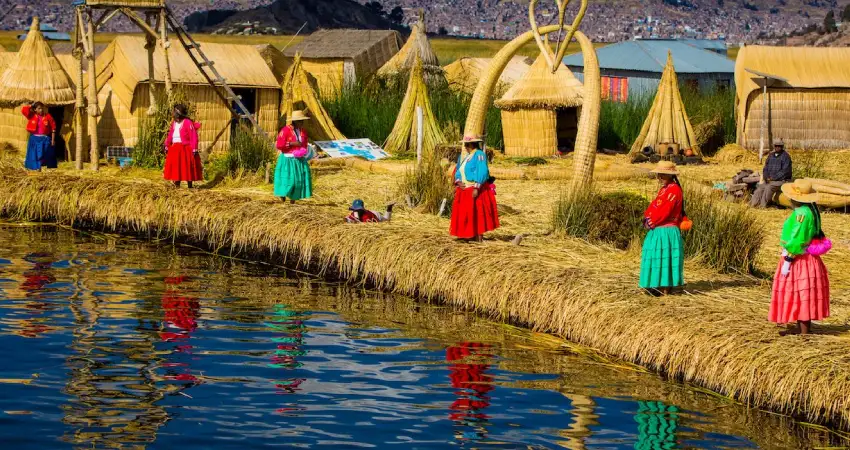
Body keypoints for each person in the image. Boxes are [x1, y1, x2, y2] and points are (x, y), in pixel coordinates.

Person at [769, 179, 830, 335]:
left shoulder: (801, 213)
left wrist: (788, 258)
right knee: (804, 292)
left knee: (800, 292)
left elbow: (798, 239)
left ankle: (803, 332)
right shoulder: (811, 209)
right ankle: (801, 327)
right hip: (808, 258)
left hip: (799, 258)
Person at [640, 161, 685, 296]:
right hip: (658, 230)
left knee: (665, 258)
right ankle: (654, 285)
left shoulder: (674, 190)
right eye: (659, 174)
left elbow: (665, 210)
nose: (660, 177)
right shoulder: (664, 189)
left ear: (671, 175)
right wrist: (647, 217)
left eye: (663, 175)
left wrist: (652, 221)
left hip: (666, 231)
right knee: (655, 257)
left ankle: (665, 289)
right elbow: (655, 205)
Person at [449, 135, 499, 242]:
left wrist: (477, 187)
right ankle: (468, 235)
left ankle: (478, 237)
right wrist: (458, 181)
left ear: (472, 144)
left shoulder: (479, 155)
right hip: (464, 189)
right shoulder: (466, 156)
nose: (465, 146)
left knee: (476, 213)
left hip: (472, 188)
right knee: (466, 214)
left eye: (467, 144)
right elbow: (459, 171)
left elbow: (482, 170)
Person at [274, 110, 313, 203]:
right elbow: (279, 145)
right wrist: (292, 143)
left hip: (299, 159)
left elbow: (304, 143)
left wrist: (303, 150)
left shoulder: (302, 131)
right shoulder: (285, 130)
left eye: (302, 121)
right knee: (287, 180)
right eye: (300, 121)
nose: (302, 123)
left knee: (298, 180)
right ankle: (282, 195)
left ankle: (293, 199)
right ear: (294, 121)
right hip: (287, 159)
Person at [163, 104, 203, 188]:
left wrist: (194, 148)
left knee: (187, 167)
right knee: (177, 167)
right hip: (175, 148)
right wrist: (167, 144)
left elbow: (193, 136)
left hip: (185, 148)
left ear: (178, 113)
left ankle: (190, 186)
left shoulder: (187, 122)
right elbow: (170, 135)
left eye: (174, 111)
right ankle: (177, 184)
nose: (172, 113)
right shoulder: (174, 123)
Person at [750, 139, 792, 208]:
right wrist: (766, 177)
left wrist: (773, 178)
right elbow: (765, 168)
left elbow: (785, 171)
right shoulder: (771, 156)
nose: (778, 147)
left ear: (782, 147)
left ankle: (763, 206)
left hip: (781, 181)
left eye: (779, 146)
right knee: (760, 188)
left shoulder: (786, 157)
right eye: (776, 146)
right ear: (774, 146)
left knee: (769, 187)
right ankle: (753, 205)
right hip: (769, 180)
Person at [22, 102, 58, 171]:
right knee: (34, 155)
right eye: (39, 108)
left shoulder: (47, 116)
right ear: (35, 109)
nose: (41, 110)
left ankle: (42, 168)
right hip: (34, 139)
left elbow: (53, 127)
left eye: (42, 108)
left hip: (44, 139)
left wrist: (53, 140)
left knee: (44, 154)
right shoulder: (31, 116)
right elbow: (24, 110)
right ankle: (38, 168)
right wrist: (31, 105)